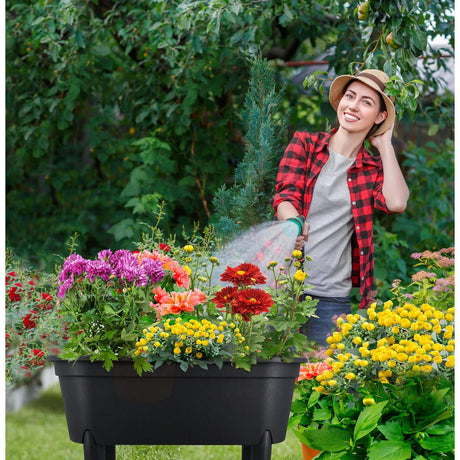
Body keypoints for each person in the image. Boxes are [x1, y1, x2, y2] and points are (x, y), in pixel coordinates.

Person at [272, 69, 409, 345]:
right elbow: (285, 197)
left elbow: (396, 203)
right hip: (283, 289)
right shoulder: (306, 144)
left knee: (324, 384)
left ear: (380, 117)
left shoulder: (371, 169)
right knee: (273, 383)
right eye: (350, 96)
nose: (353, 106)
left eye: (366, 102)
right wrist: (294, 223)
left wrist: (384, 144)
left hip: (331, 300)